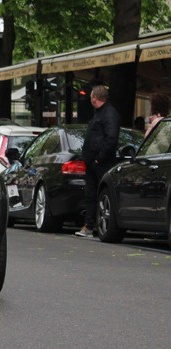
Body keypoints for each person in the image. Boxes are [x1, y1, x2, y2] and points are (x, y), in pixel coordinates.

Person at [75, 85, 120, 238]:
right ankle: (90, 225)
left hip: (100, 162)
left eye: (91, 97)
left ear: (94, 98)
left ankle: (93, 226)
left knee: (98, 194)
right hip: (94, 162)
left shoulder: (108, 114)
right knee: (91, 194)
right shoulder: (102, 113)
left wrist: (98, 158)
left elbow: (111, 139)